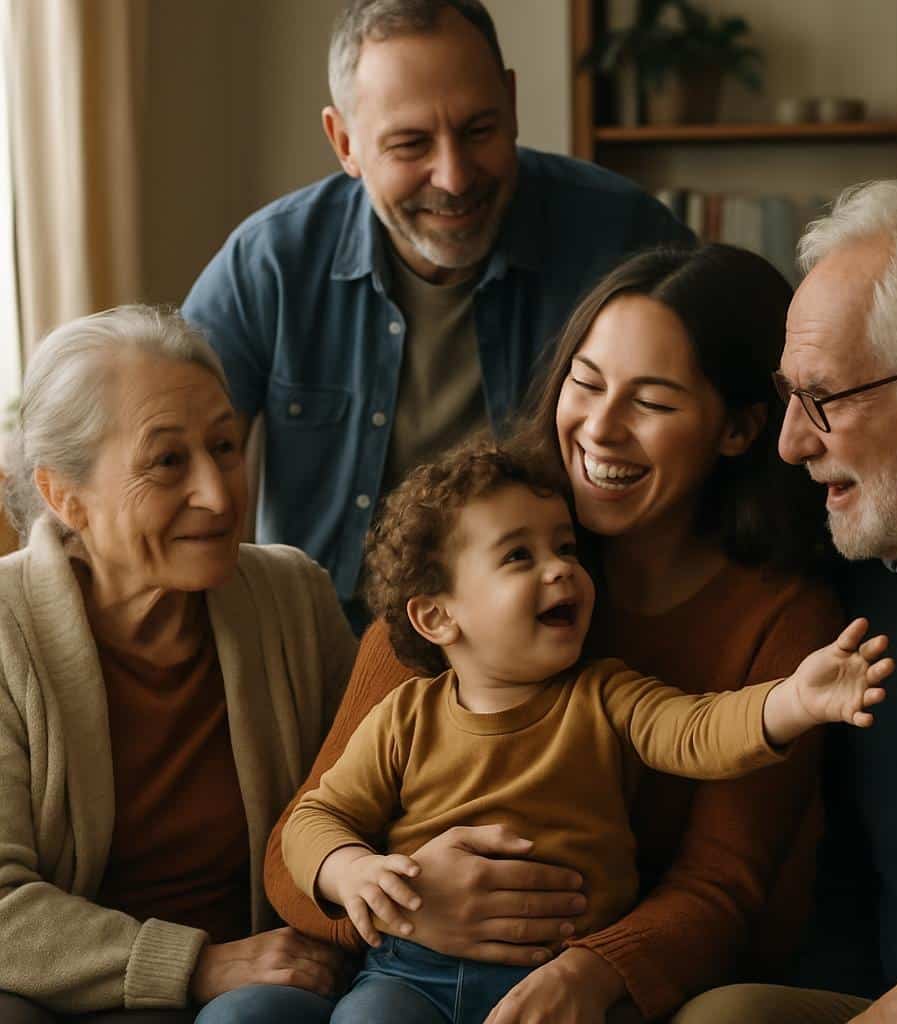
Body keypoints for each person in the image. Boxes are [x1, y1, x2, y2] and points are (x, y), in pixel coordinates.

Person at [259, 243, 851, 1024]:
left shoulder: (779, 618)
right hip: (405, 966)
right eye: (587, 381)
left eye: (654, 402)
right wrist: (406, 901)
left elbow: (722, 881)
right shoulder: (467, 566)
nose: (600, 429)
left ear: (738, 429)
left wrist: (593, 974)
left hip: (609, 978)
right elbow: (293, 852)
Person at [181, 0, 688, 621]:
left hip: (561, 643)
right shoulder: (272, 263)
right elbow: (167, 449)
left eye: (479, 130)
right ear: (345, 142)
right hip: (325, 649)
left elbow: (724, 433)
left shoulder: (622, 237)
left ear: (511, 102)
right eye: (410, 143)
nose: (453, 177)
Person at [674, 180, 897, 1024]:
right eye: (789, 397)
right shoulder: (850, 590)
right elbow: (844, 881)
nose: (792, 443)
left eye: (823, 398)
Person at [0, 306, 358, 1022]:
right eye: (167, 461)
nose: (220, 496)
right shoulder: (8, 634)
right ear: (63, 496)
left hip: (264, 994)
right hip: (78, 995)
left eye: (226, 446)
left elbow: (380, 795)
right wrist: (196, 965)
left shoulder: (293, 597)